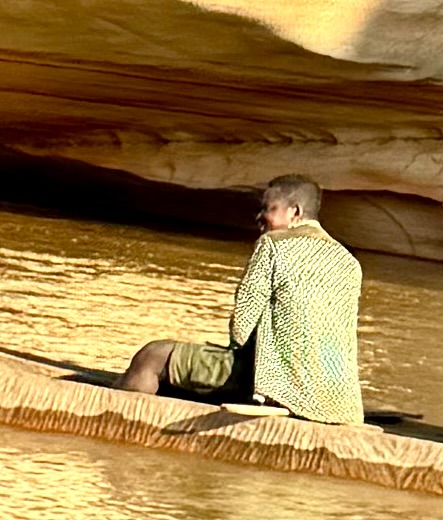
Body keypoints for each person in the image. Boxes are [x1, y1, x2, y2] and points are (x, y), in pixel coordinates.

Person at [121, 178, 366, 427]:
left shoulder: (273, 245)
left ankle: (119, 426)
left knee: (152, 356)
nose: (259, 216)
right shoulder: (349, 262)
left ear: (295, 212)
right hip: (337, 400)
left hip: (276, 386)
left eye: (268, 208)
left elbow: (240, 329)